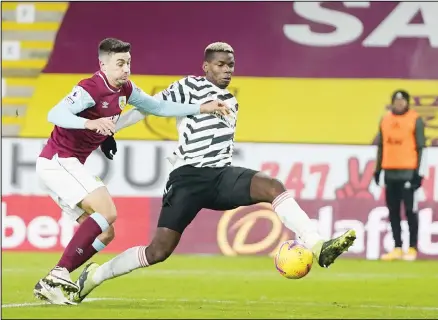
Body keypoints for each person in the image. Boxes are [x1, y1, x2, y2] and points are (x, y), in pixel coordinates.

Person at [71, 42, 356, 303]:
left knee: (272, 186)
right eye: (220, 64)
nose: (227, 70)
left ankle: (317, 245)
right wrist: (110, 129)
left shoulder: (231, 101)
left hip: (221, 176)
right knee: (157, 251)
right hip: (188, 179)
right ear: (206, 66)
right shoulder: (190, 86)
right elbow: (149, 108)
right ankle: (96, 275)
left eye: (230, 65)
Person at [33, 38, 229, 305]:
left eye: (128, 63)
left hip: (68, 165)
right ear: (102, 64)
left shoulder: (125, 88)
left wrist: (201, 107)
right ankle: (57, 274)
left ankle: (55, 281)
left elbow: (158, 108)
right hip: (57, 162)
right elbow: (55, 114)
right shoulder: (90, 88)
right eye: (119, 64)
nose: (125, 69)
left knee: (105, 233)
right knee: (108, 212)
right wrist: (91, 125)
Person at [374, 90, 426, 261]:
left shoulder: (414, 119)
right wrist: (378, 169)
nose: (399, 104)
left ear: (407, 103)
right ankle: (397, 247)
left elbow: (421, 148)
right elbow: (381, 147)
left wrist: (419, 173)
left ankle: (412, 247)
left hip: (408, 172)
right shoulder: (386, 119)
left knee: (410, 211)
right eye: (396, 101)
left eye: (402, 101)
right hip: (390, 172)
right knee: (393, 211)